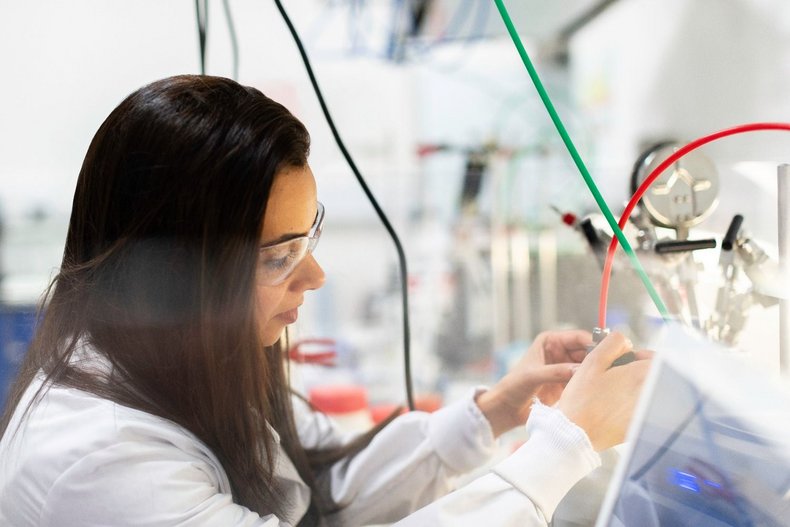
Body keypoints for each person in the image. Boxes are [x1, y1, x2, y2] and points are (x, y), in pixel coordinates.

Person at [0, 75, 651, 526]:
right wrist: (567, 443)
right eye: (278, 255)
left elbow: (320, 491)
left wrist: (496, 410)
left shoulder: (185, 358)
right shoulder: (103, 463)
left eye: (307, 236)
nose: (313, 275)